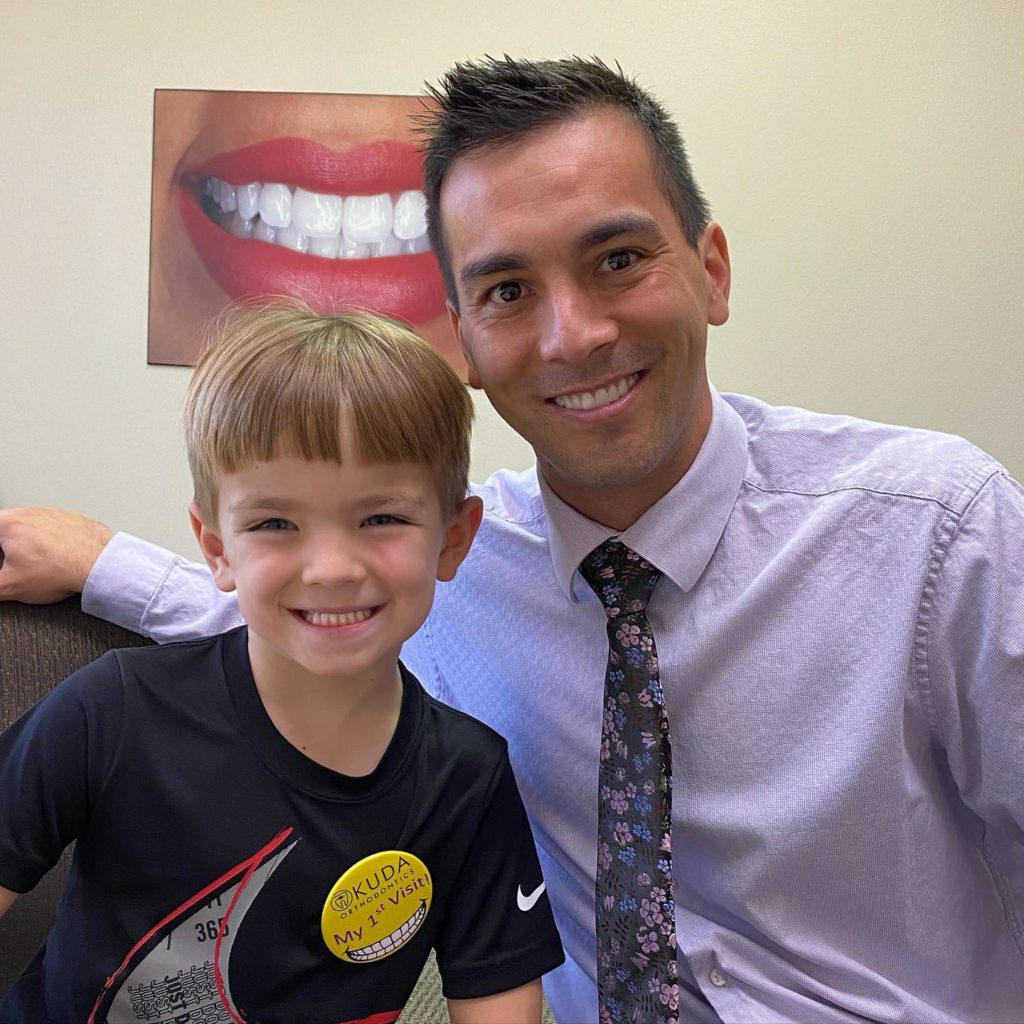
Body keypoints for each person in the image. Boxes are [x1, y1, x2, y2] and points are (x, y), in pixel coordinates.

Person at [2, 55, 1023, 1023]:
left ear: (710, 270)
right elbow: (291, 617)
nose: (571, 333)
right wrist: (99, 562)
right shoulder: (455, 563)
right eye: (506, 291)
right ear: (466, 343)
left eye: (617, 259)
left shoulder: (939, 531)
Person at [0, 305, 563, 1023]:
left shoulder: (470, 779)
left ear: (453, 539)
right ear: (216, 547)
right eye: (275, 524)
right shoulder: (106, 711)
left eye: (381, 517)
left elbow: (497, 999)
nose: (330, 568)